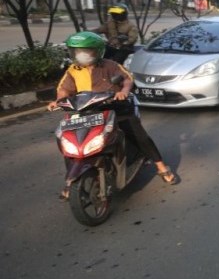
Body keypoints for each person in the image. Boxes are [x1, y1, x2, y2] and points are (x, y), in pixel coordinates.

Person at [49, 31, 178, 198]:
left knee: (137, 134)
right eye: (77, 51)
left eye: (85, 50)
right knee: (71, 141)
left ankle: (160, 166)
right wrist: (58, 101)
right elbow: (64, 89)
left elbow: (127, 79)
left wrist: (123, 92)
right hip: (87, 111)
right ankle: (70, 181)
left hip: (116, 107)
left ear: (97, 51)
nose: (81, 54)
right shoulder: (73, 70)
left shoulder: (110, 65)